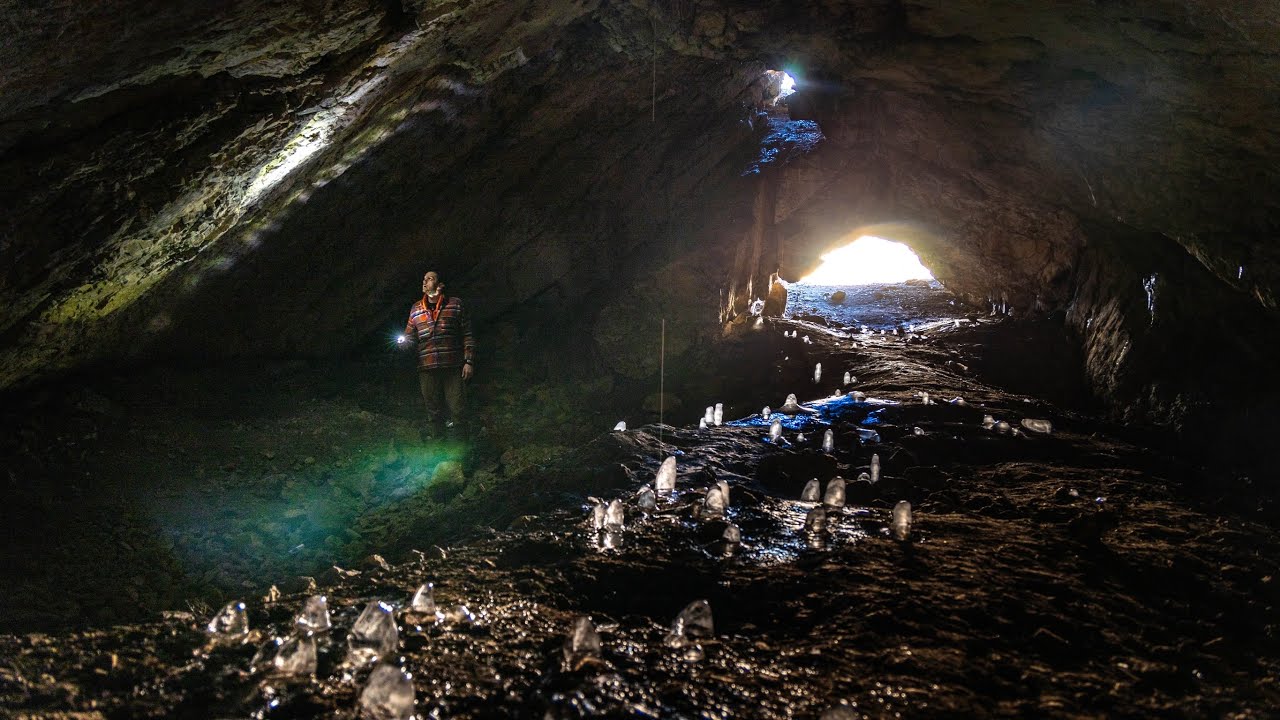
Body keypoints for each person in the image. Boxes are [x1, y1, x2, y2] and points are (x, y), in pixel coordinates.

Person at [399, 270, 475, 440]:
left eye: (430, 278)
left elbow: (467, 334)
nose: (425, 281)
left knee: (458, 409)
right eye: (424, 278)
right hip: (427, 367)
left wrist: (468, 361)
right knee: (433, 411)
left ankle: (461, 452)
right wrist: (404, 343)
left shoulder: (455, 304)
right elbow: (410, 336)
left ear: (440, 285)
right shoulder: (416, 309)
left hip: (453, 366)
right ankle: (438, 449)